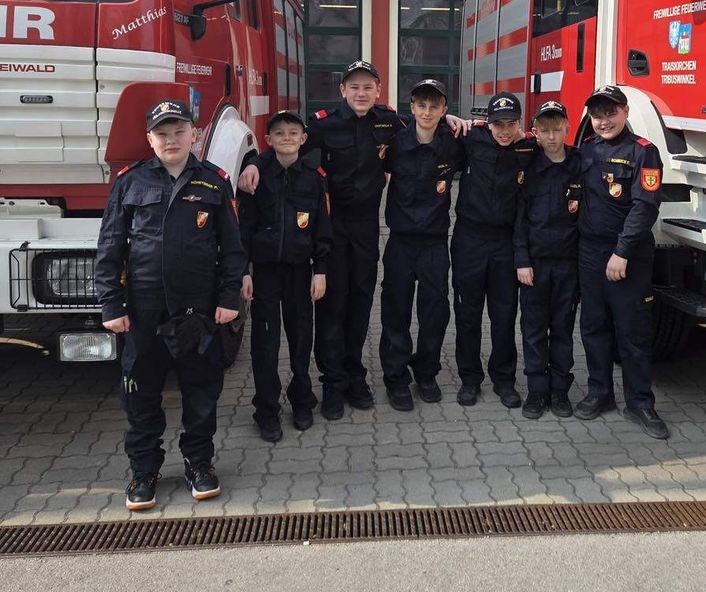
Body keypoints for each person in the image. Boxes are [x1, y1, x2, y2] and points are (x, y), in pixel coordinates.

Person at [238, 61, 466, 419]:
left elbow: (425, 126)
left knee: (361, 304)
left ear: (378, 90)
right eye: (354, 87)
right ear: (343, 90)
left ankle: (355, 376)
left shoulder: (388, 122)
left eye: (368, 87)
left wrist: (454, 121)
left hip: (366, 228)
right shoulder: (324, 124)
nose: (361, 93)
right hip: (331, 225)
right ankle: (332, 382)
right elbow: (287, 144)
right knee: (332, 305)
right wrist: (253, 161)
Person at [95, 100, 244, 511]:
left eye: (179, 131)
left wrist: (229, 299)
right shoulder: (130, 182)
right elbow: (109, 248)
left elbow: (232, 249)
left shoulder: (214, 182)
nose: (171, 139)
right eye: (162, 133)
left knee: (200, 394)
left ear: (194, 133)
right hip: (142, 314)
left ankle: (199, 464)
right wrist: (111, 305)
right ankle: (144, 471)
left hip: (197, 312)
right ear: (150, 139)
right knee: (140, 396)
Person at [575, 85, 669, 439]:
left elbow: (645, 206)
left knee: (632, 333)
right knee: (593, 328)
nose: (603, 121)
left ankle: (641, 402)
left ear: (626, 112)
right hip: (589, 253)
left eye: (610, 112)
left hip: (626, 257)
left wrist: (622, 252)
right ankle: (600, 393)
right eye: (597, 115)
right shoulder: (585, 152)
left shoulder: (644, 152)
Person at [238, 110, 332, 442]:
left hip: (299, 271)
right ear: (269, 140)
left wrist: (320, 271)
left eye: (294, 133)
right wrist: (242, 271)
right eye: (280, 133)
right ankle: (266, 409)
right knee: (265, 343)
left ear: (304, 139)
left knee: (300, 338)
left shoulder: (314, 177)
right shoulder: (255, 175)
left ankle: (302, 400)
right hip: (264, 273)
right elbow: (243, 228)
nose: (287, 138)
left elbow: (322, 230)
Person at [380, 79, 463, 411]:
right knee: (395, 311)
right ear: (412, 108)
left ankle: (426, 372)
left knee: (434, 313)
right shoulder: (393, 142)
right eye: (421, 105)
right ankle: (396, 377)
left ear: (444, 110)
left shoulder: (455, 143)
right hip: (399, 242)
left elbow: (495, 139)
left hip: (434, 244)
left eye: (435, 106)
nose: (427, 112)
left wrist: (466, 122)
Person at [452, 92, 538, 408]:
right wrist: (451, 118)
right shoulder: (472, 138)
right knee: (468, 314)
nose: (504, 130)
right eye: (498, 123)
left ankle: (504, 380)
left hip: (505, 243)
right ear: (487, 124)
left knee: (503, 315)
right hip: (469, 240)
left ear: (520, 123)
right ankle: (469, 379)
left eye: (510, 123)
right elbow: (436, 128)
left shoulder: (530, 147)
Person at [513, 100, 582, 420]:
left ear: (567, 128)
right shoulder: (528, 169)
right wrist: (522, 260)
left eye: (557, 129)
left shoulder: (581, 165)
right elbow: (520, 220)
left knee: (563, 329)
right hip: (536, 266)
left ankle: (560, 391)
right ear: (535, 133)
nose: (552, 137)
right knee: (534, 329)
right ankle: (537, 391)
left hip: (568, 264)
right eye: (545, 130)